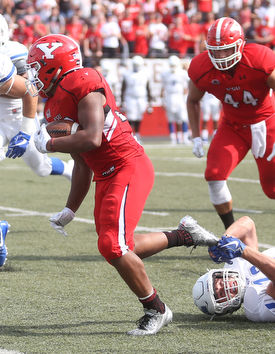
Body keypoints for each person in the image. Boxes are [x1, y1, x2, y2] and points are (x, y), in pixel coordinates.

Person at [25, 34, 220, 336]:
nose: (33, 75)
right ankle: (184, 235)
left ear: (55, 65)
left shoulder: (82, 80)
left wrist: (49, 144)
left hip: (127, 165)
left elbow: (93, 138)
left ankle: (156, 309)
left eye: (37, 67)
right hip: (106, 173)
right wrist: (70, 209)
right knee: (117, 245)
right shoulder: (52, 103)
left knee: (112, 245)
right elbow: (81, 162)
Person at [186, 17, 275, 245]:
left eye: (227, 50)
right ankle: (232, 238)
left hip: (265, 126)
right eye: (215, 51)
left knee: (273, 190)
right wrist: (195, 136)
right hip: (233, 127)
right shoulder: (201, 68)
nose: (221, 57)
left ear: (240, 45)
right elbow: (192, 101)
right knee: (214, 175)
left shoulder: (258, 60)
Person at [0, 14, 73, 179]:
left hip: (20, 116)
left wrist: (25, 132)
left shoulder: (13, 52)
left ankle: (69, 169)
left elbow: (29, 88)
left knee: (42, 169)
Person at [121, 55, 152, 144]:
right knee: (131, 116)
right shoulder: (127, 74)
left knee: (139, 116)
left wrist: (150, 104)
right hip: (130, 97)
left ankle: (137, 135)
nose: (136, 67)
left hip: (141, 98)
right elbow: (123, 88)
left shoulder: (145, 74)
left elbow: (148, 88)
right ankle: (131, 135)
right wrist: (122, 101)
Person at [162, 55, 190, 144]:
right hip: (169, 96)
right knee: (171, 118)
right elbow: (163, 87)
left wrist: (185, 99)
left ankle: (184, 137)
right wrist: (163, 99)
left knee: (183, 117)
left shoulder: (182, 73)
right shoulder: (165, 73)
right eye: (171, 66)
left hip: (179, 96)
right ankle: (173, 138)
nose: (173, 68)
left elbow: (185, 88)